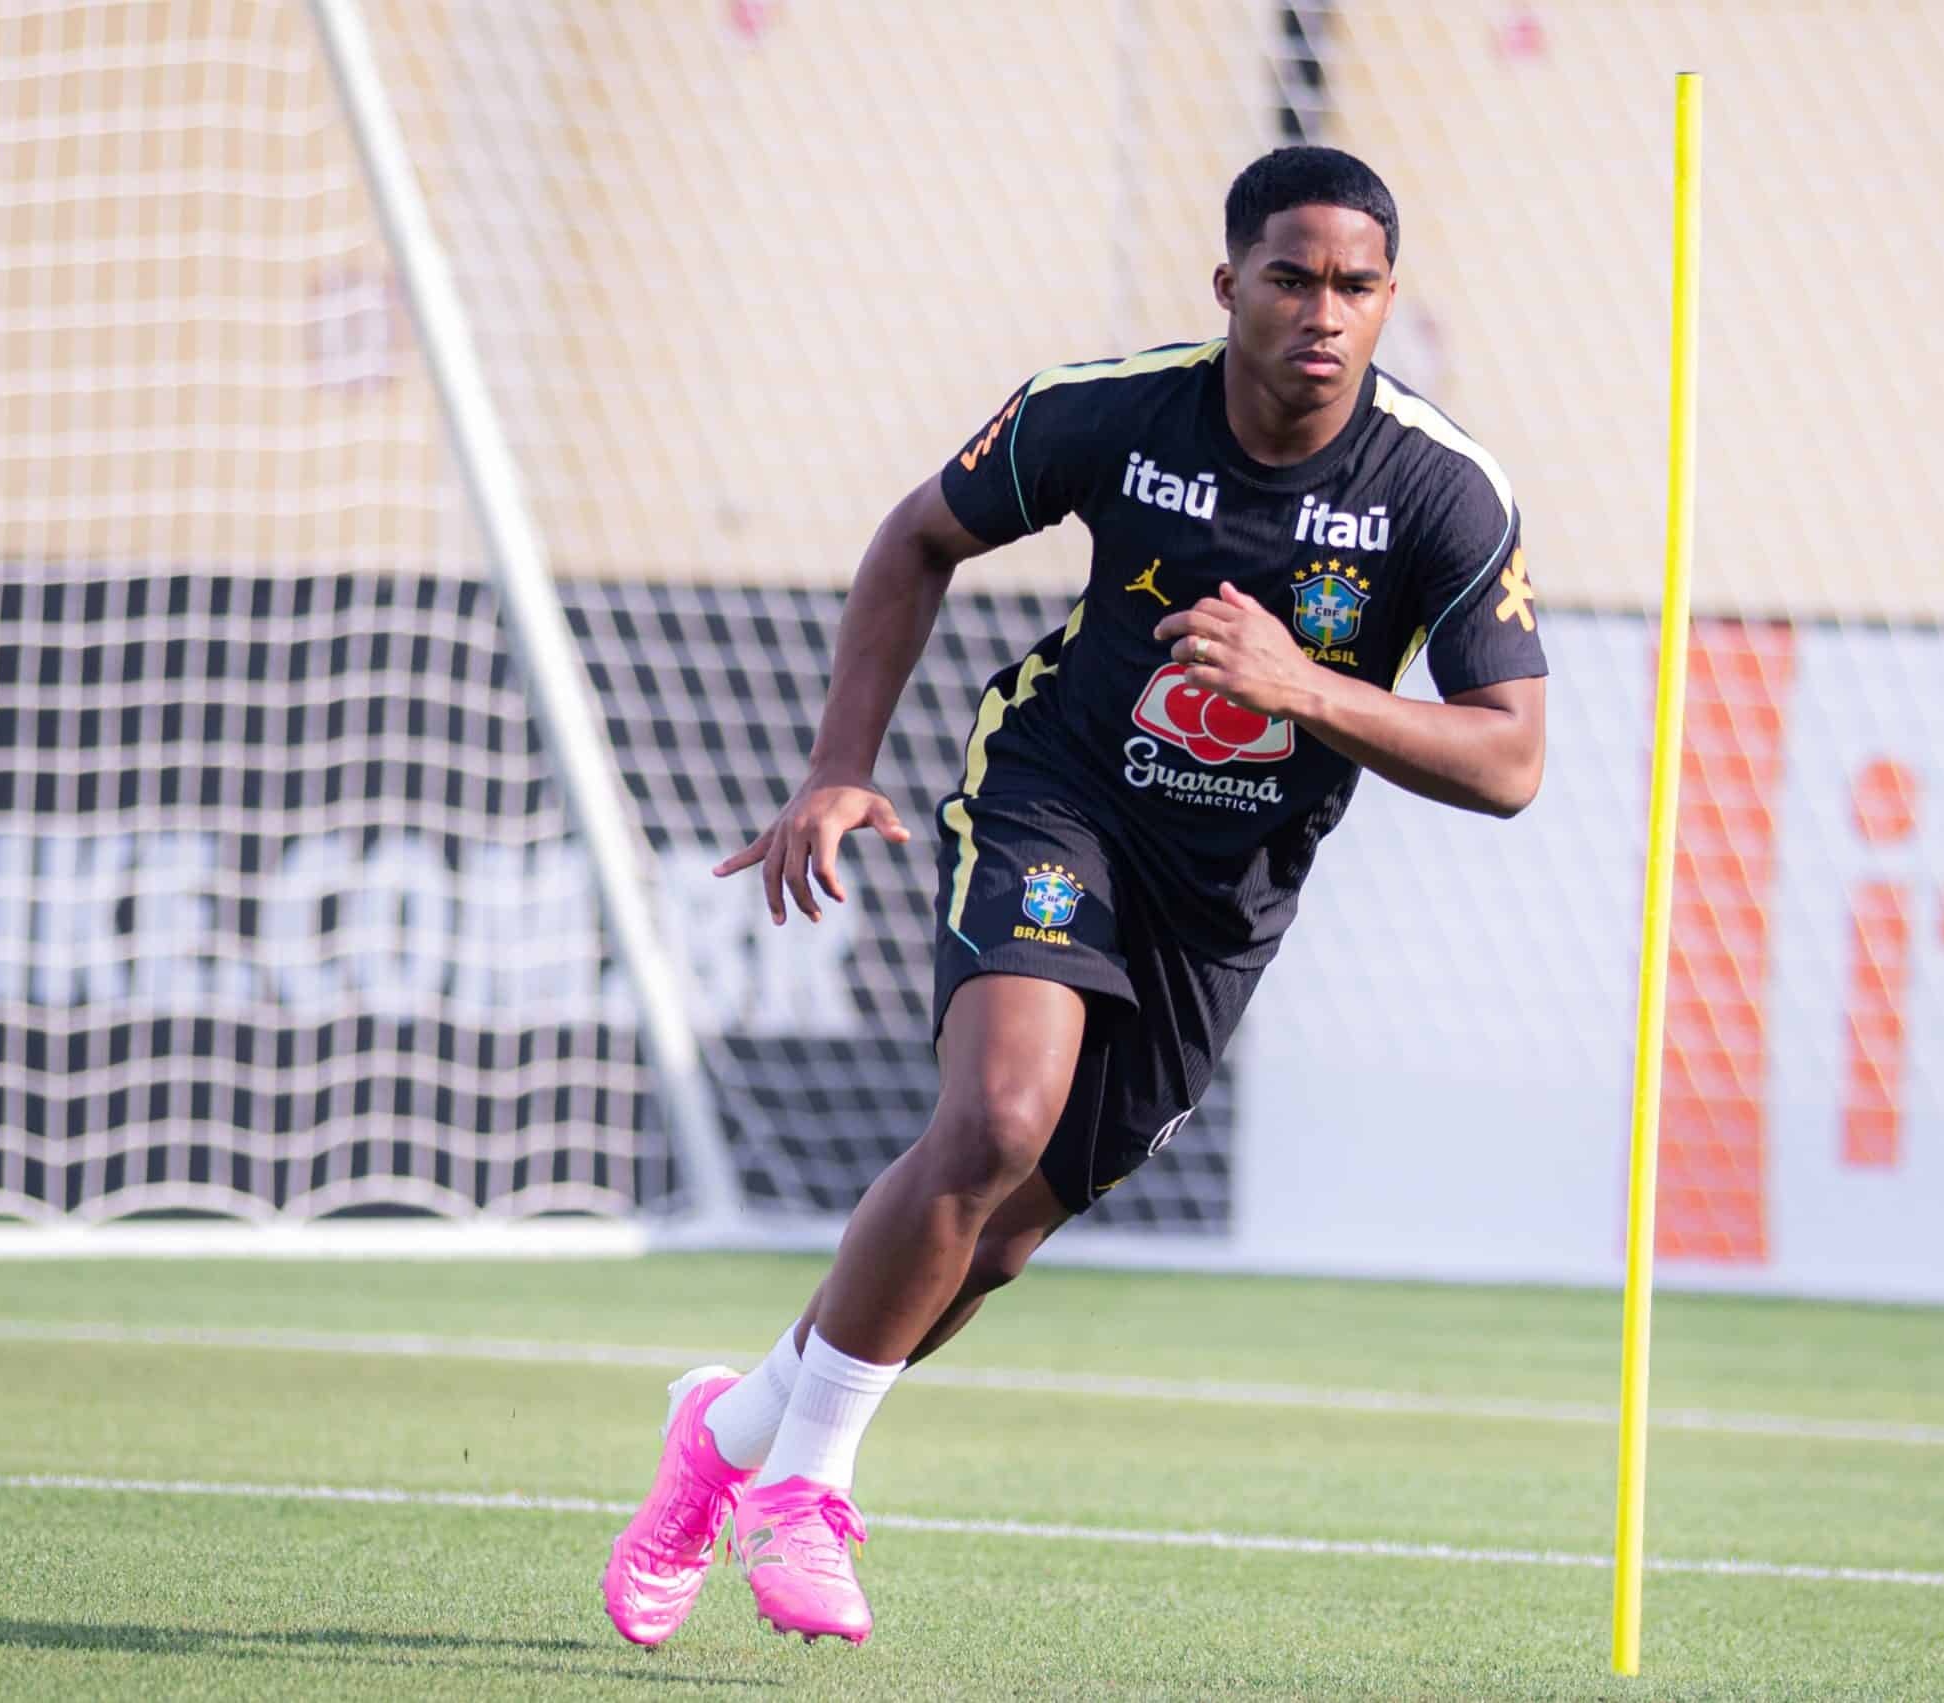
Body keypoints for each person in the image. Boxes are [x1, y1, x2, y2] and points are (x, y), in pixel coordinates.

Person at [602, 144, 1546, 1650]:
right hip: (1059, 797)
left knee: (993, 1243)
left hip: (1224, 897)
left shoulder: (1440, 489)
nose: (1322, 312)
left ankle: (723, 1440)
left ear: (1388, 300)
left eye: (1356, 286)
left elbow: (1509, 762)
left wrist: (1304, 689)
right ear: (1227, 283)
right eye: (1292, 278)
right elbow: (917, 538)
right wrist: (840, 767)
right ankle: (804, 1491)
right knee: (994, 1122)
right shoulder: (1105, 412)